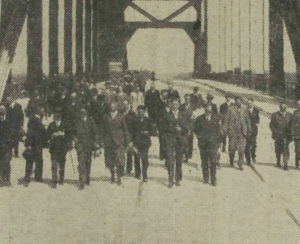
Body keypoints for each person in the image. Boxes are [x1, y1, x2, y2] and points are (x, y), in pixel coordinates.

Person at [160, 99, 189, 188]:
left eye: (177, 104)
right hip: (170, 140)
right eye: (173, 104)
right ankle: (170, 179)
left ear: (179, 105)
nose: (175, 106)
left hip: (180, 141)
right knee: (170, 160)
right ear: (171, 105)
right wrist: (173, 130)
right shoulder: (167, 115)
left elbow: (186, 129)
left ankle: (177, 179)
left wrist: (181, 130)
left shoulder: (183, 115)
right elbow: (163, 128)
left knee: (179, 161)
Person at [103, 102, 132, 185]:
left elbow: (125, 129)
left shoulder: (121, 117)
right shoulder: (106, 116)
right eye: (111, 106)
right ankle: (112, 176)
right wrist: (102, 140)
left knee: (119, 160)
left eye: (114, 106)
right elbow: (103, 129)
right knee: (110, 160)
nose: (112, 107)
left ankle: (118, 177)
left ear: (117, 107)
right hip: (109, 141)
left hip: (119, 141)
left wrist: (127, 140)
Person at [194, 105, 222, 186]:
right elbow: (195, 129)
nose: (208, 113)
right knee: (204, 161)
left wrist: (219, 143)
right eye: (207, 111)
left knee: (213, 162)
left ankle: (213, 180)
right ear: (204, 111)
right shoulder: (199, 119)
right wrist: (199, 137)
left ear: (211, 111)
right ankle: (206, 178)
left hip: (213, 144)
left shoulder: (216, 119)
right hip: (203, 144)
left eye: (209, 111)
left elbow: (219, 132)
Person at [73, 108, 100, 190]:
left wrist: (96, 143)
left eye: (84, 115)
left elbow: (96, 133)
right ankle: (82, 182)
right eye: (81, 114)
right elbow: (73, 132)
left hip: (89, 146)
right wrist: (74, 139)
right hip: (80, 146)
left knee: (88, 163)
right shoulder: (77, 122)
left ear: (86, 115)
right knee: (81, 163)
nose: (82, 116)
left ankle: (87, 177)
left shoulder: (91, 122)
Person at [223, 96, 252, 170]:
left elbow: (247, 120)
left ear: (241, 102)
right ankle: (231, 159)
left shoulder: (244, 110)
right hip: (233, 132)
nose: (238, 103)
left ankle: (240, 164)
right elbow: (226, 120)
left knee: (241, 149)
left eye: (240, 101)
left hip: (242, 133)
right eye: (237, 101)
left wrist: (249, 130)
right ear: (235, 102)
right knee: (232, 148)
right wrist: (225, 130)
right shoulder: (230, 109)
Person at [24, 107, 47, 186]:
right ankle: (29, 177)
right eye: (43, 111)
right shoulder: (34, 120)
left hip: (38, 143)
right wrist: (29, 144)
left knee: (38, 160)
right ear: (39, 112)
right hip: (34, 143)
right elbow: (30, 132)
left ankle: (37, 176)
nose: (44, 113)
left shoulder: (36, 119)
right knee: (31, 160)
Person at [47, 110, 69, 188]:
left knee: (62, 164)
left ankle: (61, 178)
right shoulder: (51, 125)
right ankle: (54, 180)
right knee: (54, 164)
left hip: (62, 148)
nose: (57, 119)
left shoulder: (65, 125)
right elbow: (47, 135)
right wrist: (53, 134)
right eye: (56, 118)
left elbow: (69, 135)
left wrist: (64, 134)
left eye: (58, 118)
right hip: (54, 148)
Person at [132, 105, 153, 181]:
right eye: (139, 112)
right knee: (137, 158)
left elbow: (152, 131)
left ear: (145, 112)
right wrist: (132, 142)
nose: (141, 113)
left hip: (145, 142)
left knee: (145, 159)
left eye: (142, 112)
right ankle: (137, 173)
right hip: (136, 142)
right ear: (137, 112)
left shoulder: (148, 120)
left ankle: (145, 174)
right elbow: (131, 132)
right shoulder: (134, 120)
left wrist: (147, 132)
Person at [270, 102, 293, 170]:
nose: (283, 108)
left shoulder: (290, 115)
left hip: (286, 136)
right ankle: (278, 161)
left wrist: (291, 134)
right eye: (282, 106)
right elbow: (271, 125)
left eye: (285, 106)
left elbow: (292, 126)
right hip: (277, 136)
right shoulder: (275, 115)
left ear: (287, 107)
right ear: (279, 107)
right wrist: (275, 131)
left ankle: (285, 164)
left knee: (285, 149)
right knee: (278, 149)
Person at [0, 106, 13, 187]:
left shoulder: (8, 122)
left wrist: (10, 144)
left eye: (2, 113)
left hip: (6, 147)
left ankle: (7, 180)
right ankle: (1, 181)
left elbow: (11, 135)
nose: (1, 116)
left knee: (7, 164)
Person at [179, 94, 194, 162]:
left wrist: (193, 118)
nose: (187, 100)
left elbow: (196, 115)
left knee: (189, 141)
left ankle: (188, 155)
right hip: (183, 125)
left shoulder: (193, 106)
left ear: (190, 99)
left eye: (188, 99)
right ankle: (183, 154)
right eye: (186, 99)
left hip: (191, 126)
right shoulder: (181, 106)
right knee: (183, 141)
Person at [245, 98, 260, 165]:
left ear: (253, 103)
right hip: (247, 130)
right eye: (248, 103)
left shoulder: (256, 110)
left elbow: (257, 120)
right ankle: (248, 159)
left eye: (250, 103)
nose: (249, 104)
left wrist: (254, 124)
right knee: (247, 146)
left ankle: (253, 157)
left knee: (253, 145)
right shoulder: (245, 110)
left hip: (254, 130)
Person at [292, 100, 300, 169]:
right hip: (297, 134)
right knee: (297, 150)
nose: (299, 105)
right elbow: (293, 124)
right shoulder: (295, 112)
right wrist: (293, 133)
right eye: (298, 104)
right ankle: (297, 164)